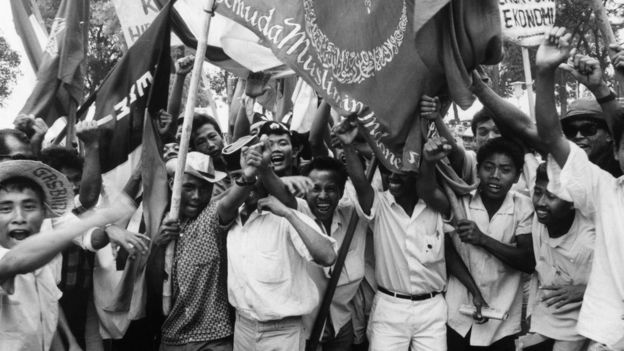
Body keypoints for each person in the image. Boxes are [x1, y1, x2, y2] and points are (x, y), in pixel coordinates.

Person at [334, 119, 484, 351]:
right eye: (389, 172)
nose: (392, 178)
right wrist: (347, 146)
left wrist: (474, 291)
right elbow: (360, 182)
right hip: (390, 307)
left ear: (415, 175)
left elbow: (448, 255)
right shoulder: (380, 206)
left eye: (401, 173)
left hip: (432, 308)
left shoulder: (436, 208)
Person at [534, 26, 624, 350]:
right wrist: (544, 73)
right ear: (616, 152)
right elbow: (551, 137)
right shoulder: (606, 193)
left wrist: (606, 86)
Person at [0, 159, 133, 351]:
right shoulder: (16, 258)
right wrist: (101, 218)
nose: (19, 218)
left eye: (29, 207)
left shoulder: (43, 267)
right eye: (5, 208)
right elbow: (15, 260)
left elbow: (49, 305)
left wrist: (69, 343)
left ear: (45, 213)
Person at [219, 138, 337, 351]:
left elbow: (327, 256)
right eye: (237, 177)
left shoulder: (285, 213)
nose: (247, 183)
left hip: (282, 333)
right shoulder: (229, 219)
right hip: (243, 327)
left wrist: (287, 214)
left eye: (253, 175)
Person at [446, 137, 535, 350]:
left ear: (517, 176)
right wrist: (474, 290)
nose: (495, 176)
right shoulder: (462, 201)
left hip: (501, 319)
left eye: (505, 170)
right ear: (478, 170)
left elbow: (527, 260)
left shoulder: (523, 206)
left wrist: (483, 239)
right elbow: (448, 252)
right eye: (489, 167)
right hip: (457, 315)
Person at [154, 152, 233, 351]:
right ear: (173, 184)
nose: (197, 196)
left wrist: (249, 175)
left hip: (214, 339)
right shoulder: (158, 219)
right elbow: (147, 283)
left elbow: (233, 198)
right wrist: (158, 245)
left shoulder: (210, 217)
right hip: (171, 337)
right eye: (189, 187)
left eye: (205, 188)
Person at [296, 156, 368, 350]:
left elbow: (366, 190)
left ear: (341, 192)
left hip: (341, 324)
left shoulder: (353, 217)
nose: (322, 196)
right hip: (305, 330)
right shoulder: (296, 215)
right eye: (315, 188)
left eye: (330, 189)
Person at [527, 163, 593, 351]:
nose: (540, 202)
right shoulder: (540, 219)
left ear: (573, 202)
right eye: (538, 192)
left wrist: (584, 290)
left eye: (552, 196)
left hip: (579, 325)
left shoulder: (591, 240)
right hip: (544, 316)